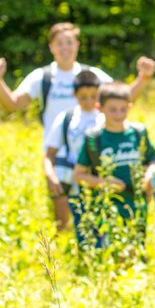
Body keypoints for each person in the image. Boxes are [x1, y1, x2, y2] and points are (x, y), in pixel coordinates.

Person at [0, 22, 155, 230]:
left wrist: (143, 78)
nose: (65, 48)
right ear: (51, 47)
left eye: (69, 42)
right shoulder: (42, 77)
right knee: (64, 223)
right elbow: (13, 104)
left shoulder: (92, 75)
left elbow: (122, 98)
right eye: (59, 43)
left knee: (97, 222)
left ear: (77, 44)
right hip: (61, 160)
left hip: (96, 159)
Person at [73, 81, 155, 252]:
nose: (119, 114)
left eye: (123, 109)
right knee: (112, 251)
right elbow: (79, 175)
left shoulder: (138, 133)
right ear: (100, 108)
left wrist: (149, 175)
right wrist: (105, 183)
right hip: (107, 207)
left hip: (136, 205)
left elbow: (154, 161)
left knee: (135, 250)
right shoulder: (94, 139)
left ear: (130, 107)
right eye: (112, 109)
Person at [43, 70, 104, 233]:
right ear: (75, 94)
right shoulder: (67, 118)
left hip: (97, 181)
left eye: (93, 96)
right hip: (70, 181)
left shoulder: (105, 118)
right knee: (66, 226)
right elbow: (49, 153)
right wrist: (51, 176)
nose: (89, 101)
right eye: (83, 97)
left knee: (97, 229)